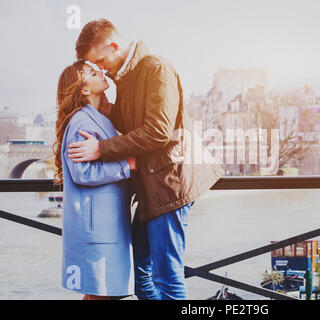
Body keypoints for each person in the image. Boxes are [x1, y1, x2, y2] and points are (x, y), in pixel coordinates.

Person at [70, 19, 224, 300]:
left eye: (101, 60)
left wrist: (101, 149)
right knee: (143, 277)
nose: (101, 68)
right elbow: (134, 124)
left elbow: (157, 132)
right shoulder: (126, 77)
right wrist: (104, 107)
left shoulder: (156, 68)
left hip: (169, 184)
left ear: (114, 46)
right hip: (150, 186)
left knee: (166, 278)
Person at [54, 60, 137, 300]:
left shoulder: (98, 118)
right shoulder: (81, 121)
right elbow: (82, 173)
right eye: (92, 72)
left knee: (99, 293)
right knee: (100, 293)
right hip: (97, 225)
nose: (101, 71)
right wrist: (127, 166)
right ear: (84, 89)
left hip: (105, 222)